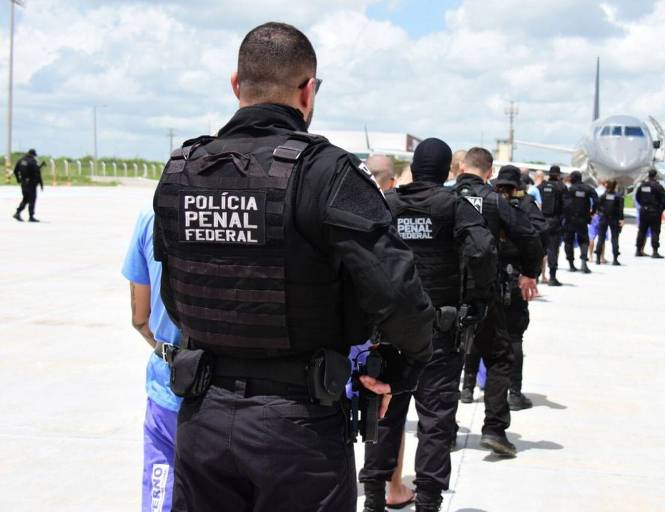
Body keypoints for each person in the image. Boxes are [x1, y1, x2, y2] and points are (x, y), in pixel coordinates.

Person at [154, 23, 435, 512]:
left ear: (236, 85)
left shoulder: (182, 169)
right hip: (296, 426)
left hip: (202, 417)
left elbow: (173, 294)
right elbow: (399, 297)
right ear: (308, 90)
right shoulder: (326, 171)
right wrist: (397, 369)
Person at [360, 138, 497, 512]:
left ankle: (373, 498)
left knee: (386, 413)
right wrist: (478, 301)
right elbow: (483, 250)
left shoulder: (387, 204)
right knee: (435, 420)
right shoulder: (454, 206)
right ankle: (428, 502)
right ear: (445, 172)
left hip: (389, 330)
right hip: (439, 329)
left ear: (416, 168)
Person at [454, 151, 542, 445]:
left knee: (444, 361)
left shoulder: (444, 199)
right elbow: (531, 236)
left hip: (446, 293)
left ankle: (443, 431)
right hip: (484, 292)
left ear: (460, 168)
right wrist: (529, 272)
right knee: (500, 355)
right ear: (488, 172)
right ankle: (493, 428)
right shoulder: (494, 202)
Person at [122, 208, 183, 512]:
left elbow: (139, 318)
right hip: (231, 393)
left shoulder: (150, 216)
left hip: (168, 386)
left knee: (162, 498)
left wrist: (169, 353)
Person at [361, 153, 413, 508]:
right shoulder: (394, 210)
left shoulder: (349, 208)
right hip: (391, 327)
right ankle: (390, 488)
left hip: (351, 330)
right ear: (391, 181)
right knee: (390, 409)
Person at [492, 165, 547, 410]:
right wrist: (530, 271)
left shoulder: (489, 201)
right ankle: (514, 393)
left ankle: (469, 388)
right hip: (515, 275)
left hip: (488, 276)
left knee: (478, 335)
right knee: (514, 336)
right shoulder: (525, 206)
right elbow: (540, 234)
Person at [538, 165, 568, 286]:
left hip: (541, 221)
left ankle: (536, 276)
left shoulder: (541, 186)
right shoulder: (561, 187)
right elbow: (567, 206)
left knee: (539, 249)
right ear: (558, 175)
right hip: (555, 222)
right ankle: (552, 277)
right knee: (553, 250)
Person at [563, 171, 598, 273]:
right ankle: (583, 263)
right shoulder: (588, 188)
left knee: (568, 241)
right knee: (583, 241)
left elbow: (564, 203)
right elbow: (596, 200)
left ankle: (571, 264)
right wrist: (593, 211)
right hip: (583, 219)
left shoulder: (570, 189)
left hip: (570, 220)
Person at [635, 169, 665, 258]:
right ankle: (655, 251)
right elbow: (664, 199)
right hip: (655, 212)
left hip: (644, 211)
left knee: (642, 230)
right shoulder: (658, 186)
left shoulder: (642, 186)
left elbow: (637, 197)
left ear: (648, 175)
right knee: (655, 231)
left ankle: (638, 250)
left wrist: (643, 204)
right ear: (655, 176)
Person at [595, 180, 624, 265]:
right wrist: (621, 219)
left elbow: (597, 205)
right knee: (615, 239)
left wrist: (600, 213)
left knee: (601, 238)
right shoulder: (618, 196)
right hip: (614, 219)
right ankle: (615, 259)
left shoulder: (603, 196)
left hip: (604, 218)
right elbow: (620, 210)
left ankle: (597, 259)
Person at [12, 149, 44, 222]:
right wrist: (40, 183)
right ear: (33, 155)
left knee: (25, 198)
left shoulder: (21, 160)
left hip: (23, 183)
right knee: (32, 199)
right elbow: (37, 174)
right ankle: (31, 216)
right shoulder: (32, 162)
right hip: (31, 184)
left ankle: (17, 213)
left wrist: (18, 179)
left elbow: (15, 171)